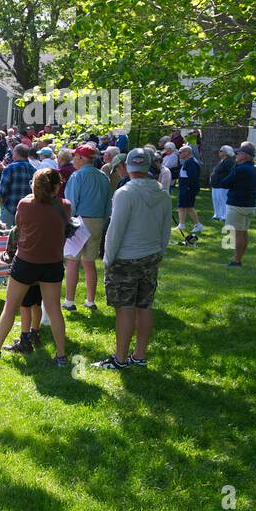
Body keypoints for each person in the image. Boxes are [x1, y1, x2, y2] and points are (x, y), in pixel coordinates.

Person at [93, 147, 172, 368]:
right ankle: (139, 355)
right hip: (150, 255)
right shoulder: (162, 194)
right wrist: (159, 252)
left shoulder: (125, 193)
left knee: (124, 309)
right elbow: (166, 229)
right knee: (145, 306)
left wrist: (108, 258)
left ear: (128, 166)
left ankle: (120, 359)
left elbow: (115, 229)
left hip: (125, 258)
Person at [0, 169, 71, 365]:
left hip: (26, 262)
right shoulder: (65, 206)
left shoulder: (25, 204)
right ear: (57, 186)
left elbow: (19, 225)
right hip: (53, 263)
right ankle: (61, 356)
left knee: (10, 307)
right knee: (54, 309)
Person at [63, 145, 111, 311]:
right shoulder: (103, 176)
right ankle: (90, 300)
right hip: (98, 222)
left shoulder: (77, 176)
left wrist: (67, 222)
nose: (73, 160)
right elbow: (108, 204)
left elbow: (71, 204)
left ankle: (69, 301)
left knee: (72, 262)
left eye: (75, 156)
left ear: (82, 158)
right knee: (90, 262)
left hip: (79, 221)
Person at [220, 142, 256, 267]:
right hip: (249, 204)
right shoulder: (254, 169)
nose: (236, 155)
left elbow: (225, 183)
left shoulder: (240, 169)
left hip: (237, 204)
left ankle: (236, 261)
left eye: (239, 153)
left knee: (237, 233)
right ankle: (238, 259)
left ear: (245, 155)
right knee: (243, 232)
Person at [0, 144, 35, 224]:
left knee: (6, 233)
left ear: (16, 154)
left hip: (10, 206)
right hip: (27, 209)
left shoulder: (10, 168)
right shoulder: (33, 169)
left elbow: (3, 189)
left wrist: (2, 204)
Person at [175, 144, 203, 236]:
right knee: (182, 206)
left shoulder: (191, 162)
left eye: (180, 152)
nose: (179, 154)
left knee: (189, 206)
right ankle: (181, 224)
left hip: (188, 188)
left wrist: (188, 187)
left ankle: (198, 224)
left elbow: (193, 177)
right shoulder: (188, 161)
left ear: (187, 152)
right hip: (184, 187)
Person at [209, 145, 234, 221]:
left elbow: (230, 173)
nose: (219, 152)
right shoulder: (221, 161)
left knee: (222, 200)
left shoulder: (229, 162)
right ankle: (217, 214)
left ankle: (224, 216)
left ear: (226, 153)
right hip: (215, 185)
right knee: (216, 200)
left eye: (221, 151)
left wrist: (225, 182)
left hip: (222, 185)